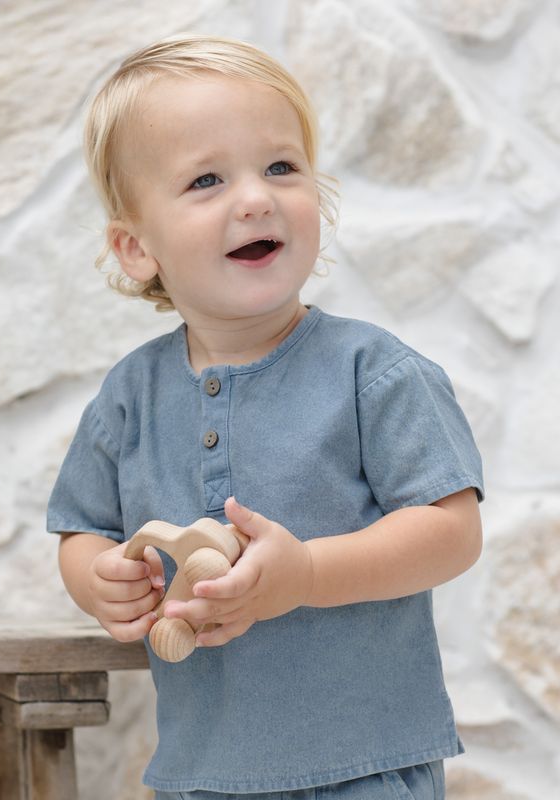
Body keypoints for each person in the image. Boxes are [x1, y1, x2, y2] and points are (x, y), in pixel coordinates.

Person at [47, 34, 484, 800]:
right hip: (201, 776)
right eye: (207, 179)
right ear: (135, 247)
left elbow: (451, 532)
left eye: (281, 167)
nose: (255, 198)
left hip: (365, 767)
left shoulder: (371, 373)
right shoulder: (130, 395)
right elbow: (83, 528)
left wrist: (307, 573)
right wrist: (99, 579)